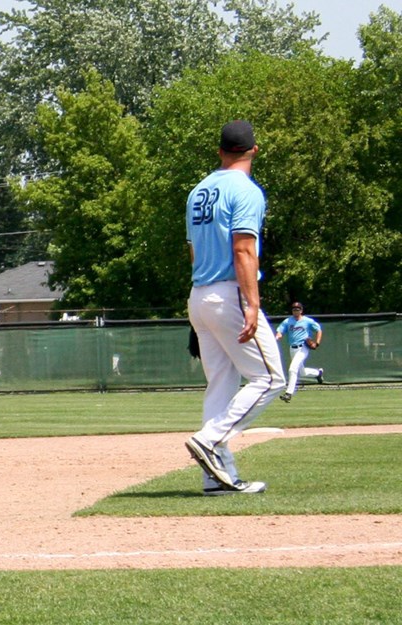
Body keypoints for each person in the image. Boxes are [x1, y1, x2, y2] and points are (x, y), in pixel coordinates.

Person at [184, 120, 286, 496]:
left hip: (200, 293)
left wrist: (199, 306)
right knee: (271, 378)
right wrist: (252, 304)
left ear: (220, 152)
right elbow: (244, 248)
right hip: (230, 293)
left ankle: (217, 478)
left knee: (222, 384)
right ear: (254, 150)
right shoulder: (246, 190)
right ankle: (211, 440)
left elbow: (193, 250)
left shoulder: (197, 192)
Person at [275, 301, 324, 402]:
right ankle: (318, 373)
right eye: (294, 309)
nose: (296, 311)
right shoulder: (288, 321)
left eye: (298, 309)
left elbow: (318, 329)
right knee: (302, 372)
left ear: (301, 310)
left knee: (292, 369)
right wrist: (278, 336)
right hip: (292, 348)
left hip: (303, 348)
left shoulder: (307, 321)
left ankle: (288, 393)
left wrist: (317, 343)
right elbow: (280, 331)